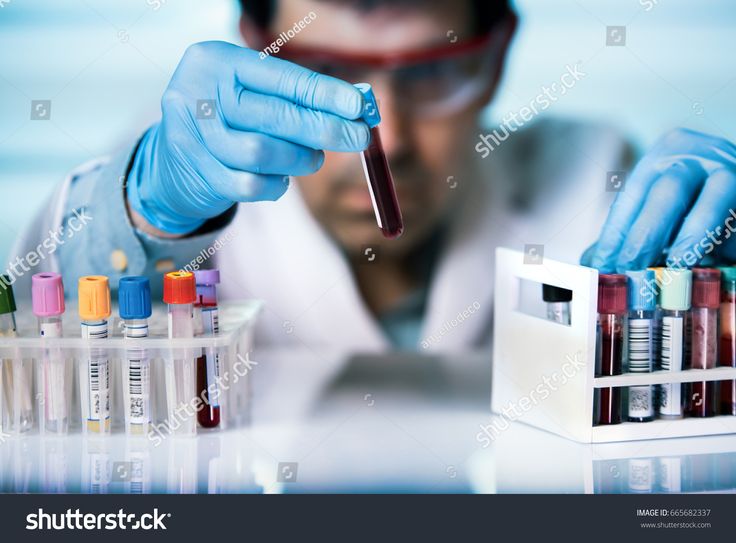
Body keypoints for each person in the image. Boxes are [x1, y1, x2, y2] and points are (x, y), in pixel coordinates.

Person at [10, 0, 736, 352]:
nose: (383, 139)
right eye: (322, 75)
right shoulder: (180, 175)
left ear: (497, 57)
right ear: (255, 52)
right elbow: (48, 360)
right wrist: (146, 211)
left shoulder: (595, 178)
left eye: (436, 71)